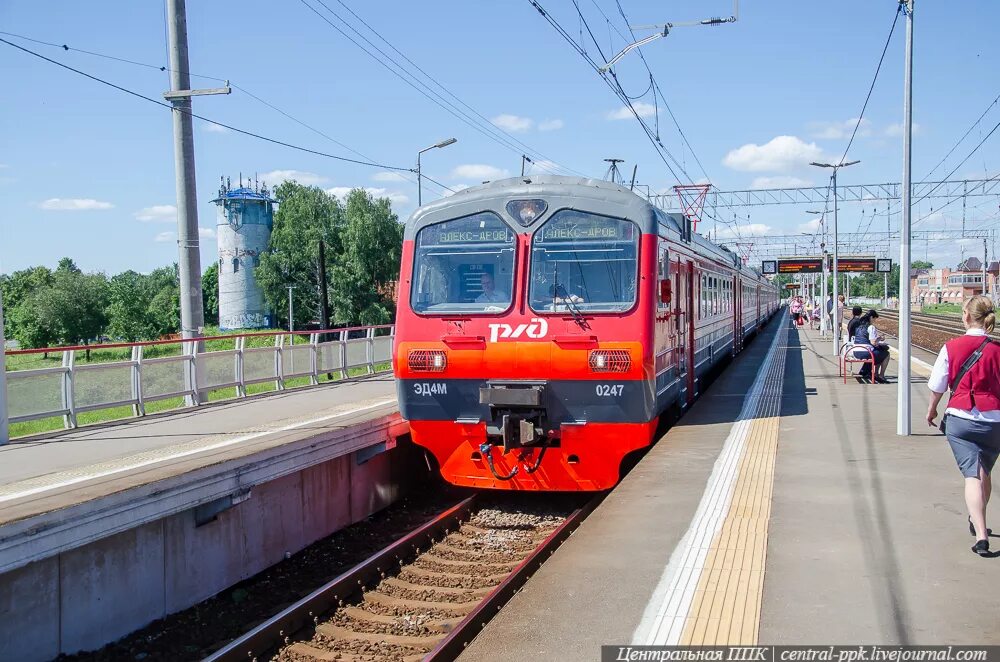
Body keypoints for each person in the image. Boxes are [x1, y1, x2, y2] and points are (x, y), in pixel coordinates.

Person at [926, 296, 1000, 557]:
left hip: (961, 419)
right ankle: (977, 517)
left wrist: (932, 409)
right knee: (984, 472)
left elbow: (937, 385)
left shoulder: (952, 347)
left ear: (967, 317)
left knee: (973, 475)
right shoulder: (997, 349)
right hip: (993, 421)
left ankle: (981, 535)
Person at [851, 309, 890, 383]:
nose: (874, 321)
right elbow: (873, 342)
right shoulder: (871, 327)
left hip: (855, 351)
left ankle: (874, 374)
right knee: (886, 354)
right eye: (874, 319)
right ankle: (880, 375)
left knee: (879, 352)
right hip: (866, 352)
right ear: (871, 317)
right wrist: (880, 338)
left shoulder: (859, 327)